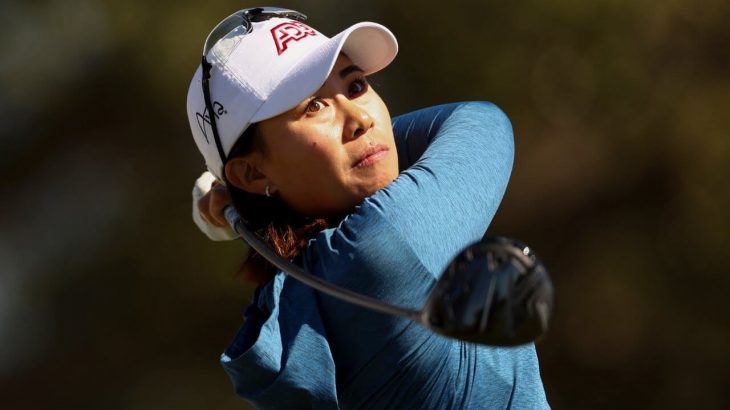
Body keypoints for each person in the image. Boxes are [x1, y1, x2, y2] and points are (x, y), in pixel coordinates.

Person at [187, 7, 550, 409]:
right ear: (253, 173)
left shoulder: (297, 290)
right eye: (313, 107)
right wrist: (234, 199)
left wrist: (243, 199)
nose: (361, 118)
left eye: (356, 85)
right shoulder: (383, 241)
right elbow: (481, 122)